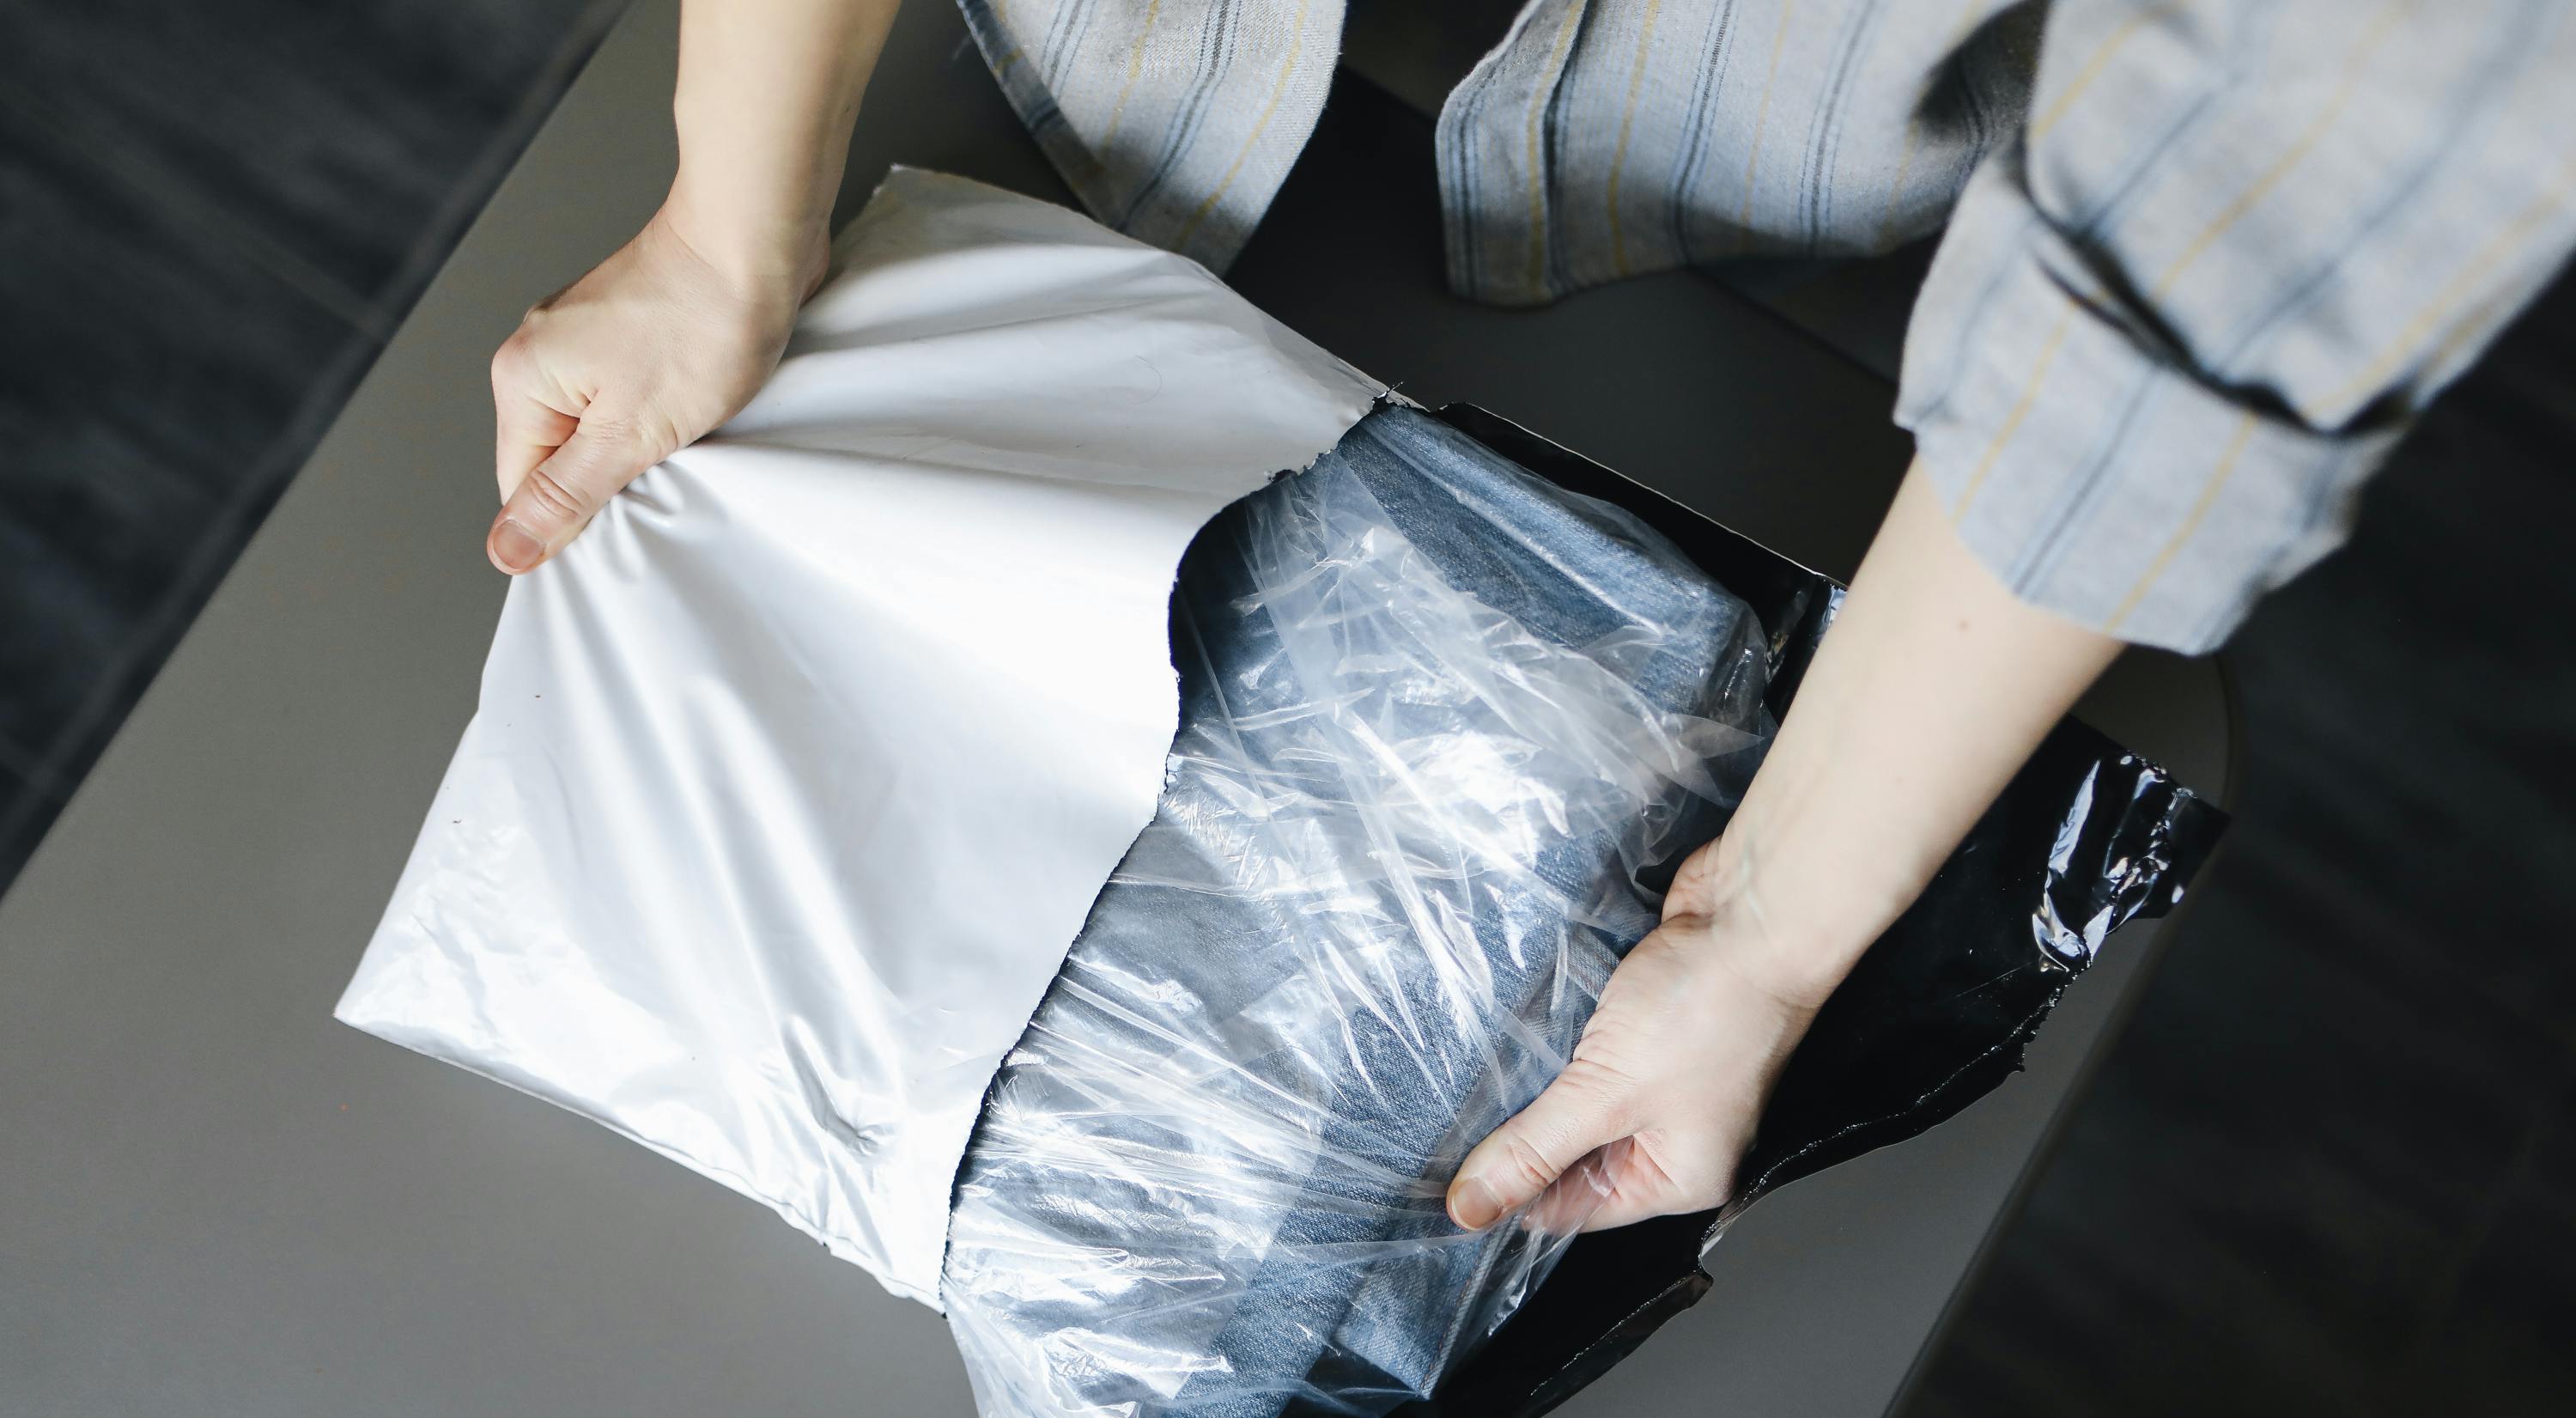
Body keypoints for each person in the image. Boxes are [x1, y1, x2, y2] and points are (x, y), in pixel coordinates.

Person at [483, 0, 2576, 1235]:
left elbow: (2230, 238)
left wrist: (1753, 934)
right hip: (1096, 83)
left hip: (1749, 166)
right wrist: (728, 220)